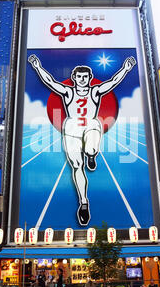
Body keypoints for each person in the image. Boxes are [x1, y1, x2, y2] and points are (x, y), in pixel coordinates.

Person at [28, 54, 136, 226]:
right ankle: (84, 203)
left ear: (90, 78)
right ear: (74, 78)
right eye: (79, 76)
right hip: (72, 127)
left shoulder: (96, 91)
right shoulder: (68, 92)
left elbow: (113, 81)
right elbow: (50, 82)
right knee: (77, 166)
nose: (82, 79)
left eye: (85, 76)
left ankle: (91, 154)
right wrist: (37, 67)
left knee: (92, 139)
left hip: (91, 125)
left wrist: (126, 69)